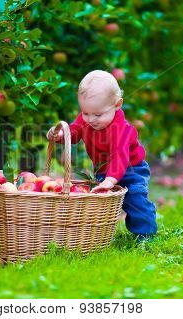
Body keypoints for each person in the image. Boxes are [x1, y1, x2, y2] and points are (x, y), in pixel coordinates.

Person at [46, 70, 157, 239]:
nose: (90, 119)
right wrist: (61, 135)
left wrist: (110, 181)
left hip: (131, 169)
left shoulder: (122, 129)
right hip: (104, 170)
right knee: (100, 202)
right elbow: (75, 132)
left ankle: (145, 234)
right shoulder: (87, 119)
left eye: (98, 114)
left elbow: (120, 157)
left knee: (135, 199)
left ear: (117, 105)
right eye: (85, 113)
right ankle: (99, 234)